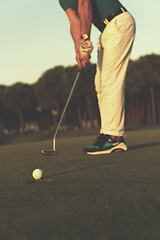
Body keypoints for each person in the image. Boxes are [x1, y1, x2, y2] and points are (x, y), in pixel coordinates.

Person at [59, 0, 136, 155]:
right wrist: (79, 50)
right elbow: (75, 21)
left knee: (110, 81)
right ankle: (107, 134)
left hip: (117, 22)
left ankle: (115, 138)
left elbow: (84, 3)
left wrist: (85, 38)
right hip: (106, 30)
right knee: (100, 84)